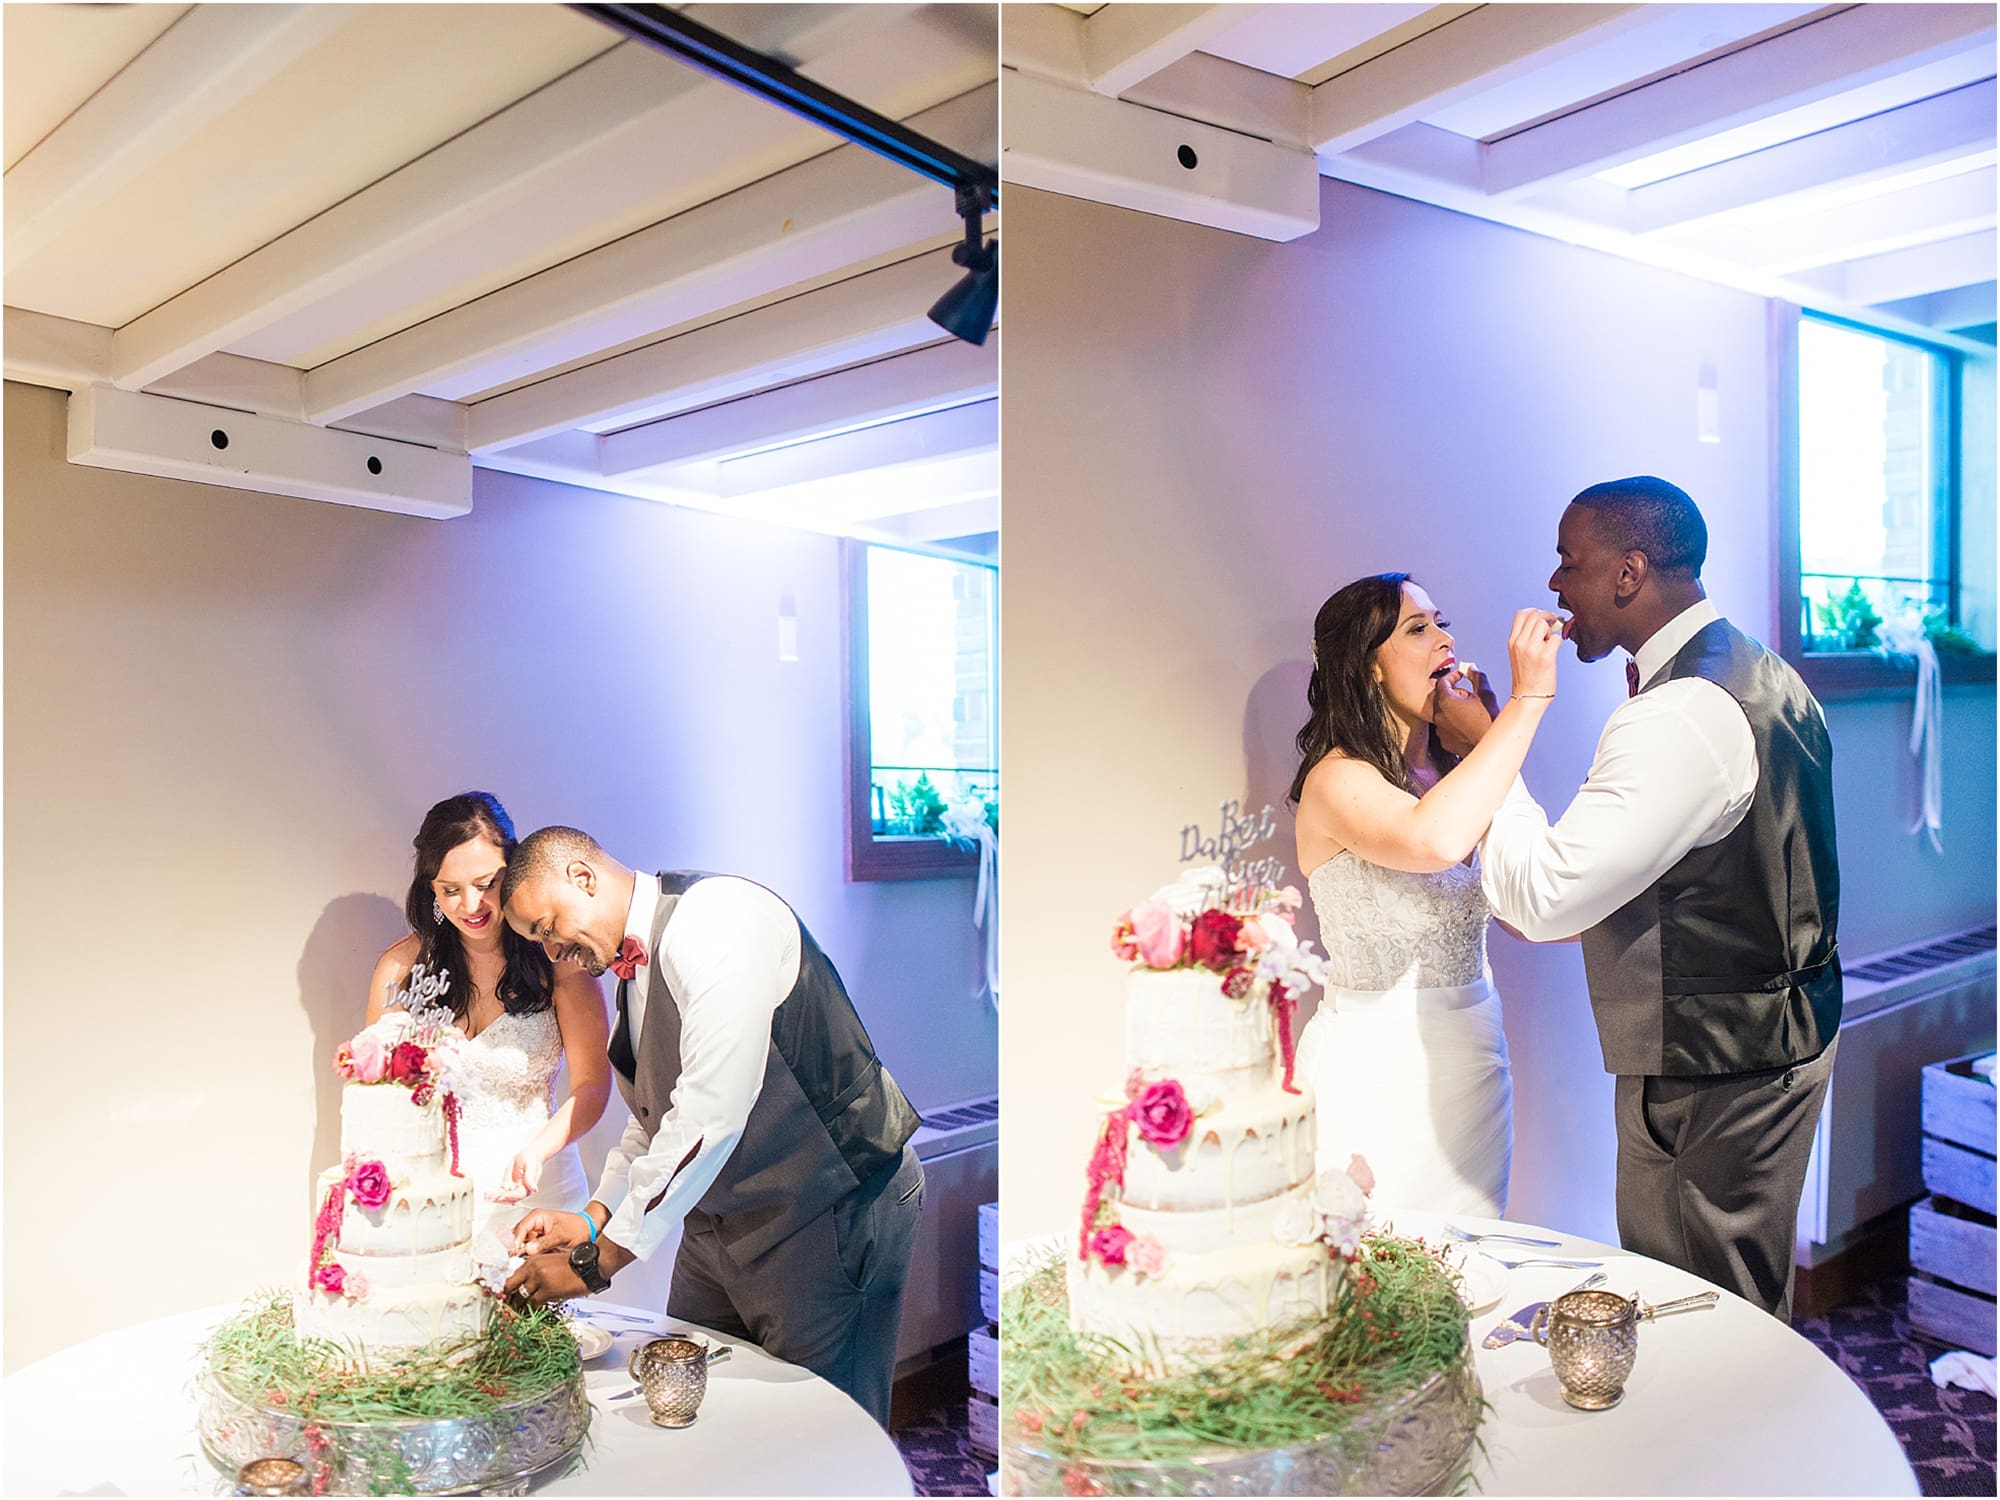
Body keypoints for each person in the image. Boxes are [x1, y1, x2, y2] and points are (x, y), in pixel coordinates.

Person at [1479, 476, 1841, 1321]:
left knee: (1699, 1310)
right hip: (1779, 1041)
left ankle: (1735, 1456)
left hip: (1713, 1072)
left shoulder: (1682, 712)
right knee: (1744, 1300)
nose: (1555, 586)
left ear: (1629, 571)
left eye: (1570, 563)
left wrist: (1487, 747)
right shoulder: (1763, 673)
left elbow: (1544, 899)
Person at [496, 827, 924, 1430]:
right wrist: (592, 1217)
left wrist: (598, 1262)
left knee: (823, 1435)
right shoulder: (631, 978)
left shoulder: (716, 920)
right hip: (721, 1228)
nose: (551, 950)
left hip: (830, 1207)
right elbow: (654, 1124)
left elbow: (710, 1111)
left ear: (583, 878)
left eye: (546, 927)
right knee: (683, 1405)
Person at [1289, 573, 1563, 1216]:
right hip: (1370, 1063)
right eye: (1418, 628)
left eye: (1443, 623)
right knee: (1364, 1276)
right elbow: (1432, 841)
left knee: (1467, 1270)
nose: (1444, 640)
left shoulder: (1454, 777)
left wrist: (1479, 741)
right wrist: (1526, 702)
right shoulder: (1335, 779)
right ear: (1369, 667)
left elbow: (1538, 912)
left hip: (1471, 1058)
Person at [365, 793, 610, 1268]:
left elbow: (592, 1085)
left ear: (511, 871)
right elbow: (375, 1096)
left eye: (486, 883)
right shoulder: (400, 969)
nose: (471, 905)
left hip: (537, 1191)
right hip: (432, 1198)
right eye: (450, 890)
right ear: (429, 890)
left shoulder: (558, 961)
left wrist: (536, 1152)